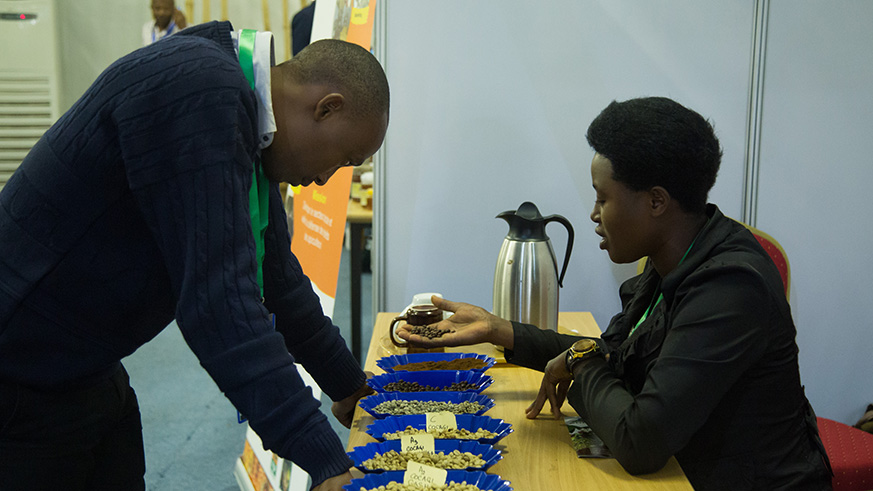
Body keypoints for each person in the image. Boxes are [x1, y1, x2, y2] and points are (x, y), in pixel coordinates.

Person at [0, 20, 388, 491]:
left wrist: (349, 386)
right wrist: (324, 459)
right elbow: (218, 306)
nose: (328, 178)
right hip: (24, 373)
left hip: (83, 363)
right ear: (327, 108)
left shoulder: (243, 105)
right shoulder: (203, 91)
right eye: (344, 158)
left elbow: (278, 282)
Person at [398, 97, 833, 490]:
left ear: (656, 202)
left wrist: (580, 360)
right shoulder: (673, 256)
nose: (593, 215)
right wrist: (502, 330)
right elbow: (615, 355)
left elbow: (639, 439)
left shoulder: (730, 287)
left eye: (602, 199)